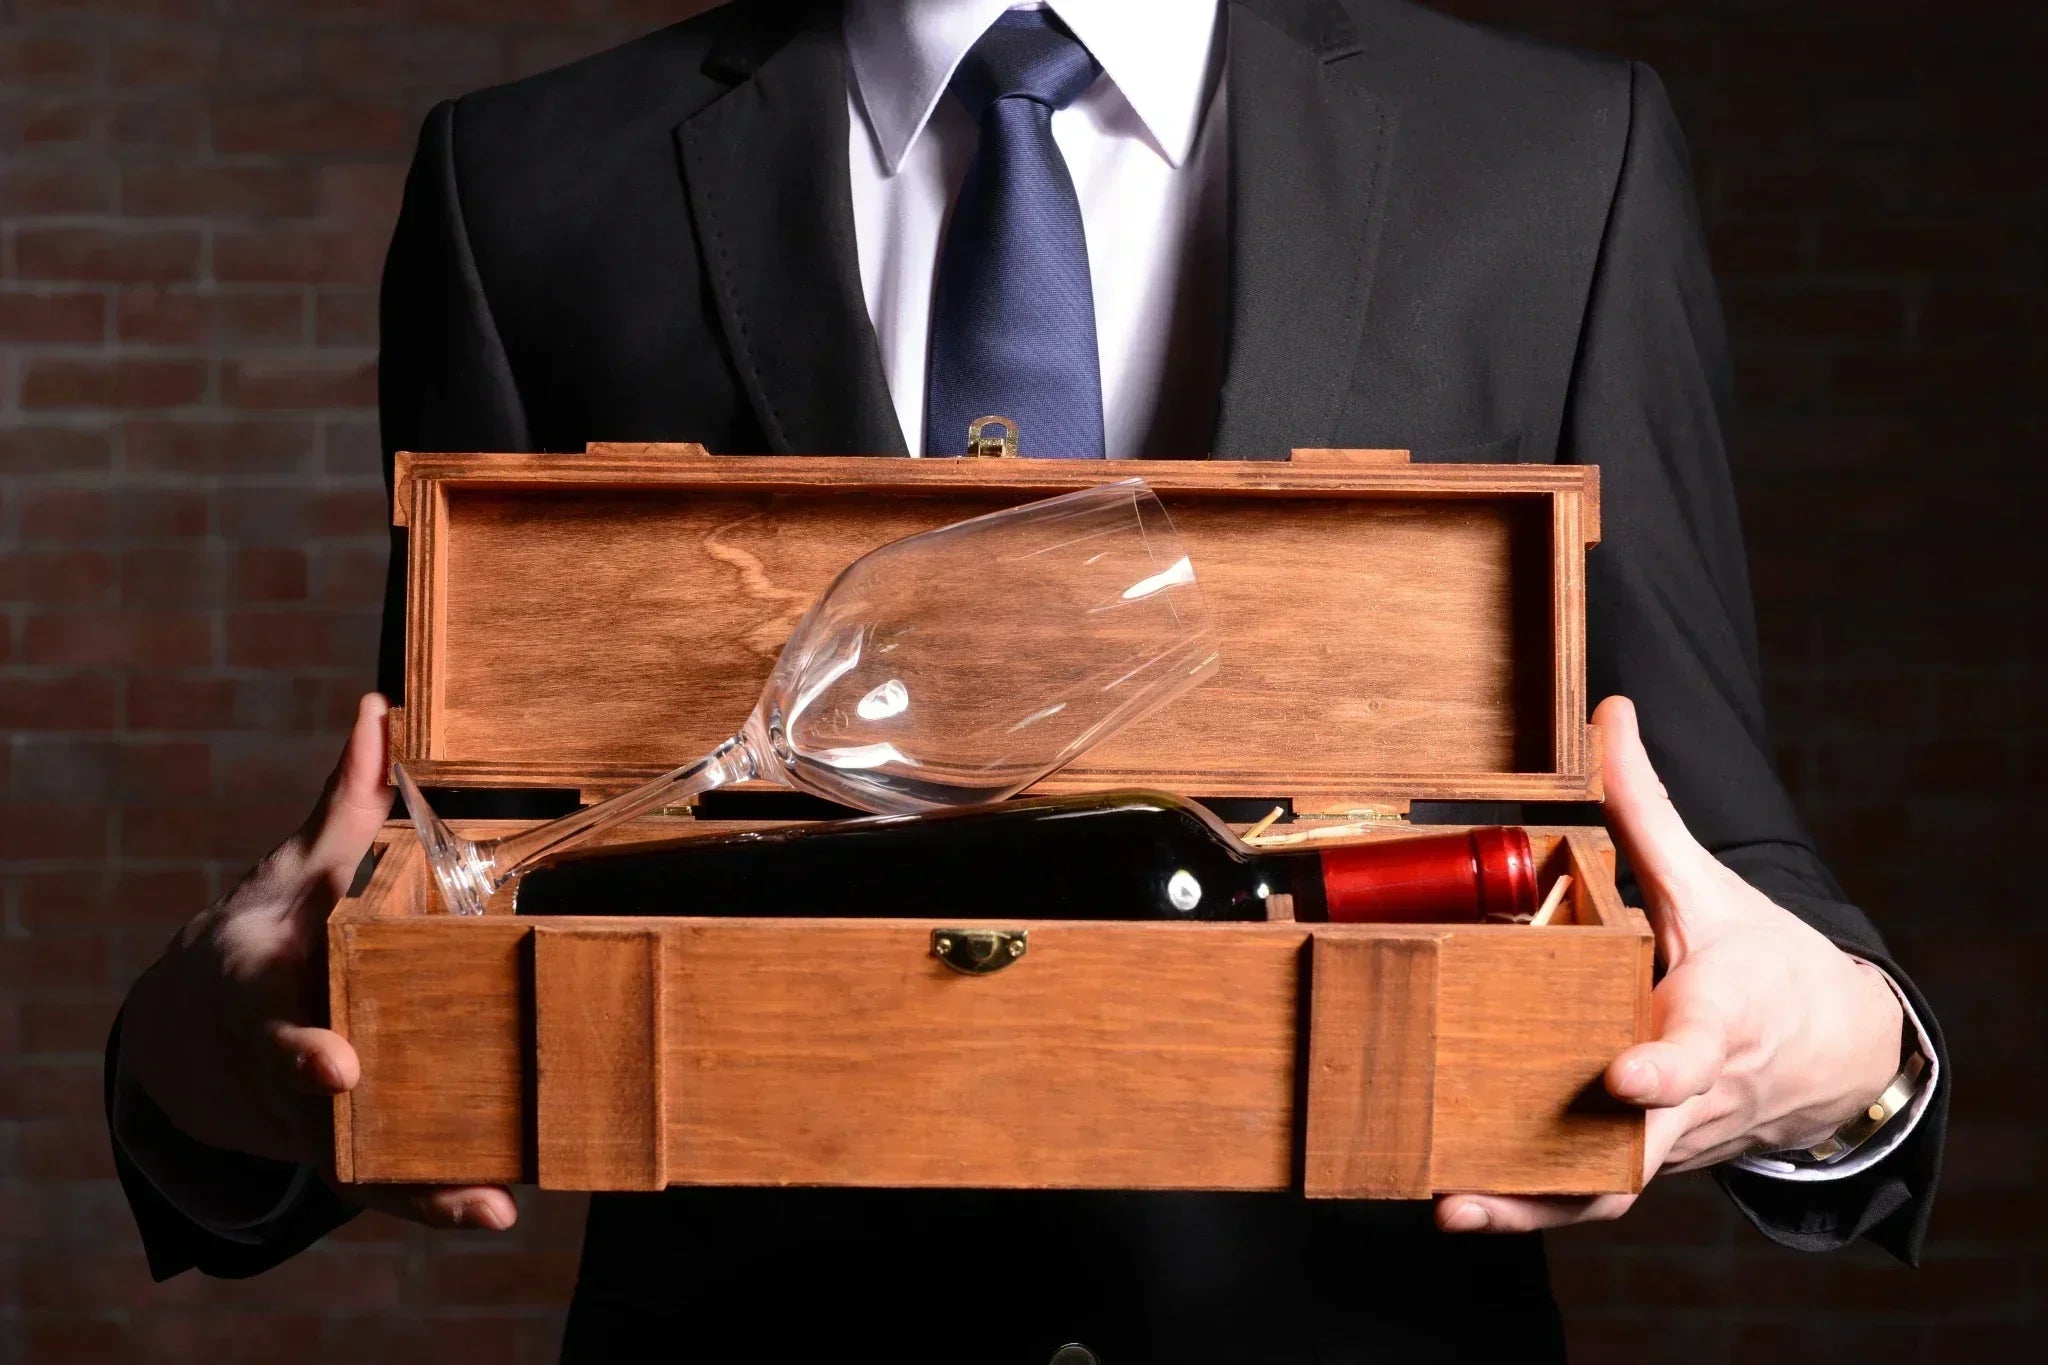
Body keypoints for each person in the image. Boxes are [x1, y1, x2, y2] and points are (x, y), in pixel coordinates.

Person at [105, 1, 1945, 1360]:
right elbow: (440, 868)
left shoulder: (1556, 158)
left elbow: (1739, 883)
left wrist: (1843, 1067)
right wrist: (205, 1051)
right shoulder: (526, 180)